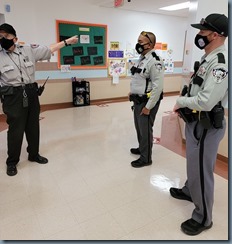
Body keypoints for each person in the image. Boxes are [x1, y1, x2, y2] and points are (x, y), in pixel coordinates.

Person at [170, 13, 228, 235]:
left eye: (202, 32)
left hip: (207, 126)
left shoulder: (221, 63)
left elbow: (206, 100)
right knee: (193, 163)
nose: (199, 35)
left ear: (215, 34)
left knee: (203, 170)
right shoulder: (208, 57)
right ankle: (189, 190)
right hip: (195, 121)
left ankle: (203, 217)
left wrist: (180, 101)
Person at [0, 23, 78, 176]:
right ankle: (12, 162)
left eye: (6, 36)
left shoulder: (28, 50)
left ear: (15, 38)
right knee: (16, 130)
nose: (3, 39)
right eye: (0, 36)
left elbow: (49, 49)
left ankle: (34, 154)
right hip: (13, 96)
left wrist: (67, 42)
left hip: (30, 92)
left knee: (33, 126)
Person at [129, 31, 164, 168]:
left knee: (146, 130)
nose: (138, 44)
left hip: (147, 102)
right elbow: (139, 79)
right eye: (138, 40)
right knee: (139, 128)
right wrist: (131, 92)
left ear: (150, 44)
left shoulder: (155, 61)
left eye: (141, 42)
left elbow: (157, 87)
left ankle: (146, 158)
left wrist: (148, 107)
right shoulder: (142, 59)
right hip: (138, 100)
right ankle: (142, 148)